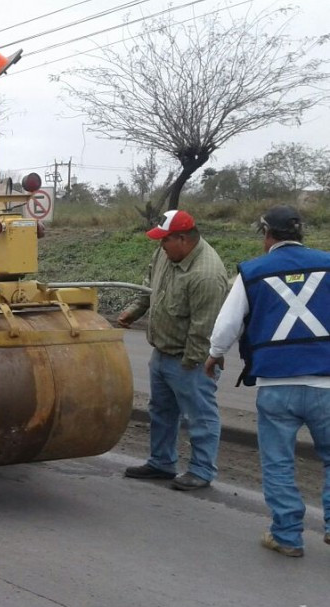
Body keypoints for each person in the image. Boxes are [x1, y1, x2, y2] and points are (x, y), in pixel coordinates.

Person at [205, 205, 330, 557]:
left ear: (267, 235)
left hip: (276, 385)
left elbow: (228, 324)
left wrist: (215, 354)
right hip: (327, 385)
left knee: (278, 463)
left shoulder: (252, 272)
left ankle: (287, 536)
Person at [118, 209, 229, 490]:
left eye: (165, 240)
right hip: (162, 351)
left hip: (191, 360)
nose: (160, 245)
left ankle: (201, 470)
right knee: (161, 411)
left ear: (183, 239)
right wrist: (135, 310)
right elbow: (150, 286)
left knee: (200, 416)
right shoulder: (165, 254)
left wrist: (190, 365)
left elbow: (204, 330)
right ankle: (161, 462)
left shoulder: (206, 275)